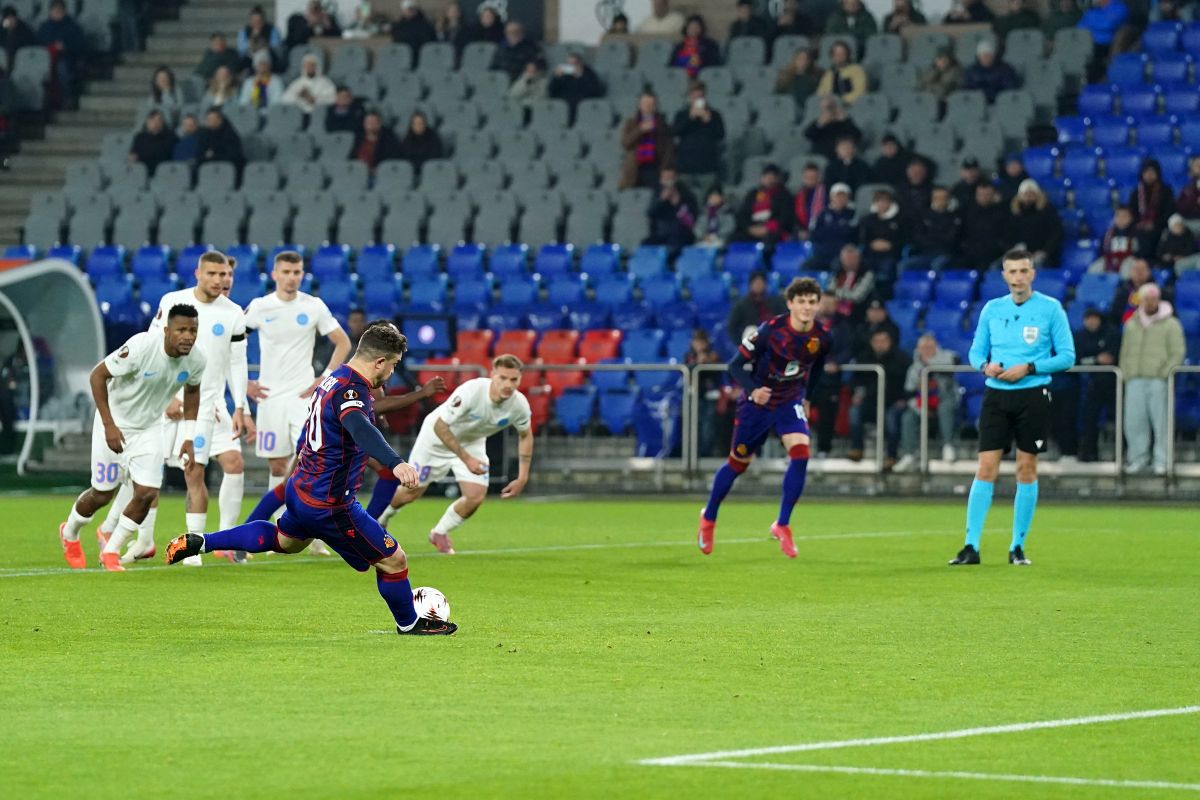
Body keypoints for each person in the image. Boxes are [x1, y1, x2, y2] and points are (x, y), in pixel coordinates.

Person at [166, 322, 457, 636]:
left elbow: (316, 429)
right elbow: (360, 428)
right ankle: (409, 623)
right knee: (394, 560)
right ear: (379, 362)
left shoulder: (333, 378)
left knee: (284, 541)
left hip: (303, 488)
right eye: (393, 365)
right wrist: (395, 462)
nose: (391, 373)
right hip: (331, 503)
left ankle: (203, 541)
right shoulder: (351, 389)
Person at [950, 248, 1075, 567]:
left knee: (1026, 468)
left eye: (1023, 271)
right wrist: (985, 367)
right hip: (996, 395)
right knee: (986, 468)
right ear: (1004, 275)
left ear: (1032, 273)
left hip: (1033, 395)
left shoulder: (1050, 309)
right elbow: (976, 353)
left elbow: (1067, 356)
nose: (1018, 277)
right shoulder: (992, 309)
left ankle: (1017, 546)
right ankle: (970, 546)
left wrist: (1030, 368)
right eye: (1012, 272)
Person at [57, 305, 205, 571]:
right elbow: (97, 376)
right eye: (182, 330)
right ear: (167, 330)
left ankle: (112, 550)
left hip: (148, 429)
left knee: (147, 493)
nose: (188, 336)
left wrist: (188, 437)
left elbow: (193, 393)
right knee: (102, 495)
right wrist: (109, 425)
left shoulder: (196, 360)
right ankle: (69, 532)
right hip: (113, 424)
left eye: (193, 330)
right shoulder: (141, 347)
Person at [697, 277, 831, 558]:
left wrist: (807, 397)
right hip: (757, 403)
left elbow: (817, 368)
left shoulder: (822, 337)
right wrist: (753, 390)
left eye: (811, 302)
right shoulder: (770, 331)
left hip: (789, 400)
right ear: (790, 304)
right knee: (737, 464)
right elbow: (735, 365)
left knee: (801, 453)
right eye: (801, 302)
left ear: (818, 305)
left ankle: (782, 524)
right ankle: (708, 517)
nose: (807, 307)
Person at [132, 252, 251, 567]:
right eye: (213, 273)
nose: (219, 280)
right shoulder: (173, 301)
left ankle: (209, 543)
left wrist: (241, 406)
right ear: (198, 273)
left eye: (224, 274)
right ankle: (145, 540)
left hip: (207, 405)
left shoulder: (234, 313)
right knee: (151, 473)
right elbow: (151, 348)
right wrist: (166, 396)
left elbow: (237, 363)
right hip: (165, 402)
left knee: (213, 467)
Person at [377, 355, 534, 555]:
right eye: (503, 378)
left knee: (475, 496)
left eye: (514, 380)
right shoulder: (472, 391)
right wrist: (466, 459)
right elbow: (441, 426)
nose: (508, 385)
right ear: (492, 375)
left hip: (471, 442)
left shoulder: (519, 405)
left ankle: (439, 533)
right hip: (435, 439)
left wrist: (522, 477)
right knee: (411, 491)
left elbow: (525, 436)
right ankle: (383, 520)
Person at [244, 250, 351, 506]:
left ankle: (310, 531)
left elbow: (343, 343)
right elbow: (231, 342)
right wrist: (244, 382)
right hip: (270, 398)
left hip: (303, 396)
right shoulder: (260, 306)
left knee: (309, 459)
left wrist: (324, 378)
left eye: (296, 272)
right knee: (278, 465)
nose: (291, 278)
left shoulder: (313, 305)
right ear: (274, 274)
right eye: (286, 272)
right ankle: (279, 528)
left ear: (302, 274)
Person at [1120, 284, 1186, 476]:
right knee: (1134, 422)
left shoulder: (1171, 324)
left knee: (1161, 422)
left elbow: (1177, 352)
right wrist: (1127, 372)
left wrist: (1165, 373)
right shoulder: (1132, 323)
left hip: (1159, 380)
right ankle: (1138, 459)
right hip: (1135, 379)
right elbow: (1125, 351)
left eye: (1153, 298)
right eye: (1147, 299)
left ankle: (1162, 460)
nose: (1150, 302)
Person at [894, 332, 960, 471]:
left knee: (945, 408)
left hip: (944, 400)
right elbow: (909, 394)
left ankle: (948, 446)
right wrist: (921, 410)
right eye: (923, 348)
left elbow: (956, 361)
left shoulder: (947, 357)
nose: (927, 350)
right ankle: (909, 454)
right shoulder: (913, 369)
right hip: (923, 404)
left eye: (930, 347)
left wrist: (928, 365)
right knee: (908, 417)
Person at [848, 327, 911, 466]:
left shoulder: (902, 358)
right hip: (871, 401)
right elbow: (855, 380)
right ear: (871, 342)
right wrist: (858, 393)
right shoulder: (864, 357)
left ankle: (891, 455)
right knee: (855, 412)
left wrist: (904, 399)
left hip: (893, 402)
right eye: (877, 341)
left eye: (884, 341)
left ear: (890, 342)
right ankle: (857, 448)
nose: (880, 344)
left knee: (891, 419)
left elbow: (909, 382)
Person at [1072, 308, 1120, 463]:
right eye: (1088, 319)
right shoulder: (1079, 336)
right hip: (1089, 385)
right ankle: (1088, 453)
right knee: (1089, 419)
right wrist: (1096, 359)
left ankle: (1121, 454)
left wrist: (1093, 357)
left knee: (1120, 418)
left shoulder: (1111, 334)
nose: (1092, 322)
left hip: (1113, 383)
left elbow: (1113, 356)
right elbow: (1075, 359)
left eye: (1094, 318)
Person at [672, 81, 724, 199]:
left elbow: (721, 134)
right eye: (694, 97)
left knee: (709, 199)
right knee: (684, 200)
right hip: (685, 168)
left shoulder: (715, 115)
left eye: (699, 97)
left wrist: (708, 120)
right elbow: (675, 131)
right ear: (690, 97)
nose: (697, 100)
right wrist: (690, 117)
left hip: (707, 168)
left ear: (704, 97)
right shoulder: (681, 114)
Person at [619, 92, 674, 190]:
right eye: (645, 104)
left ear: (655, 106)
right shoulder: (631, 123)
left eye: (651, 104)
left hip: (654, 168)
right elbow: (625, 143)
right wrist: (640, 130)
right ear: (640, 105)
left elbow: (668, 149)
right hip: (635, 169)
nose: (648, 107)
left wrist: (665, 169)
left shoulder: (662, 124)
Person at [36, 0, 85, 108]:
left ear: (64, 11)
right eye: (55, 10)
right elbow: (38, 45)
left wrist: (65, 47)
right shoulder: (44, 27)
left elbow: (80, 46)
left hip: (66, 59)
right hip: (45, 59)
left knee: (61, 69)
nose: (57, 12)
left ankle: (66, 99)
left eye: (59, 10)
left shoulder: (73, 27)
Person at [859, 187, 907, 293]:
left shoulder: (900, 220)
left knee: (887, 269)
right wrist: (872, 244)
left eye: (885, 201)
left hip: (891, 254)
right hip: (870, 253)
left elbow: (903, 239)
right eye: (879, 201)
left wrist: (890, 245)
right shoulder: (868, 219)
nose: (882, 204)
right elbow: (863, 238)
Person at [1007, 178, 1063, 267]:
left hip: (1041, 253)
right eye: (1026, 194)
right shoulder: (1014, 212)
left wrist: (1045, 251)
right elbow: (1007, 234)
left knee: (1036, 265)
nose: (1028, 197)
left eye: (1031, 194)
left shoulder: (1047, 210)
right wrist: (1013, 248)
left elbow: (1056, 233)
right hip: (1019, 252)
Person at [735, 162, 794, 246]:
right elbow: (743, 214)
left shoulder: (784, 195)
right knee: (736, 238)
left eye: (772, 177)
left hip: (773, 231)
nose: (769, 180)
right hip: (753, 229)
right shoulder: (753, 194)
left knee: (770, 241)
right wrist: (750, 228)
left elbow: (785, 217)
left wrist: (767, 228)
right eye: (766, 177)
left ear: (777, 179)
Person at [905, 185, 960, 271]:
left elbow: (951, 239)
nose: (940, 201)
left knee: (937, 264)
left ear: (948, 199)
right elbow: (918, 236)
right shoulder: (922, 216)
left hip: (945, 254)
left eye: (943, 198)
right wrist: (936, 239)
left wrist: (932, 238)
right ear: (932, 198)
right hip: (924, 253)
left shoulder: (955, 218)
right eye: (937, 198)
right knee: (904, 265)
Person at [1129, 159, 1175, 257]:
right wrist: (1140, 224)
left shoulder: (1166, 191)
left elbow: (1169, 212)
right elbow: (1132, 212)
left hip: (1160, 226)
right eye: (1146, 172)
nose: (1149, 175)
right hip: (1140, 227)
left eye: (1152, 172)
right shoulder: (1136, 192)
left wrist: (1154, 224)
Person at [728, 270, 787, 344]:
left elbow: (784, 319)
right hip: (752, 340)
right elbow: (732, 327)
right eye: (756, 283)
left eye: (761, 282)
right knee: (751, 330)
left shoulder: (776, 302)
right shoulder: (741, 305)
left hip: (773, 338)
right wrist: (740, 343)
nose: (758, 285)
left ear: (766, 284)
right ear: (750, 285)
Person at [645, 167, 697, 249]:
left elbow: (690, 221)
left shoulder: (686, 195)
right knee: (646, 246)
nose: (667, 181)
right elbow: (650, 213)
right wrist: (661, 200)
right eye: (664, 178)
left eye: (670, 178)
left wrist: (677, 204)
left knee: (673, 246)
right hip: (660, 234)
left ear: (676, 178)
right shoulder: (657, 194)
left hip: (681, 234)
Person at [959, 182, 1008, 269]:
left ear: (993, 195)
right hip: (970, 252)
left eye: (987, 194)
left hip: (994, 254)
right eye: (980, 194)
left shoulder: (1002, 212)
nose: (983, 197)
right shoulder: (967, 212)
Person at [809, 183, 857, 266]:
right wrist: (837, 228)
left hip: (842, 254)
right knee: (806, 267)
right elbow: (815, 234)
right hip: (822, 252)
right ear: (831, 197)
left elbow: (850, 234)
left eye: (843, 196)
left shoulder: (852, 214)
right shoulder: (822, 213)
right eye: (837, 196)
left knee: (836, 265)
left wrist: (829, 228)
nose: (840, 199)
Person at [547, 52, 602, 123]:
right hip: (564, 103)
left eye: (573, 64)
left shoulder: (589, 74)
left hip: (582, 103)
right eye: (568, 64)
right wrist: (556, 78)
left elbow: (594, 91)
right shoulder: (565, 75)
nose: (570, 66)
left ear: (580, 64)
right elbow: (552, 92)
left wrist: (579, 76)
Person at [827, 244, 875, 324]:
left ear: (859, 258)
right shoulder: (837, 273)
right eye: (846, 259)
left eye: (852, 258)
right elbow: (829, 292)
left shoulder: (867, 274)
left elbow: (857, 296)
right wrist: (842, 294)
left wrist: (837, 293)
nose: (849, 261)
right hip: (836, 313)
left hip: (857, 314)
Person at [803, 95, 861, 161]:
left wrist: (845, 120)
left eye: (831, 107)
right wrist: (820, 123)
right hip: (821, 158)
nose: (829, 110)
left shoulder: (844, 122)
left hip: (841, 158)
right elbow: (808, 135)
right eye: (826, 108)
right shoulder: (818, 123)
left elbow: (857, 135)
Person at [963, 39, 1021, 103]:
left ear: (993, 55)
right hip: (977, 103)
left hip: (1000, 102)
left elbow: (1010, 87)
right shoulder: (972, 71)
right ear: (978, 56)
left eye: (988, 55)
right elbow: (967, 88)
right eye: (983, 55)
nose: (986, 58)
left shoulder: (1004, 69)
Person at [816, 40, 867, 105]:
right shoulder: (829, 74)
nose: (839, 56)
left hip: (850, 106)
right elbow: (820, 93)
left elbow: (860, 93)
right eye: (836, 54)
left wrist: (840, 100)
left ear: (847, 55)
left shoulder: (857, 70)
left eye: (842, 53)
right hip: (830, 107)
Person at [129, 109, 177, 177]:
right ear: (147, 121)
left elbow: (163, 155)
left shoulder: (170, 137)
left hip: (163, 174)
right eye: (152, 120)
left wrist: (140, 157)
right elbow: (133, 156)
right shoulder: (139, 137)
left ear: (162, 122)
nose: (155, 122)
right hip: (140, 174)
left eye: (158, 120)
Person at [670, 14, 720, 79]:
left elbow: (714, 64)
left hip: (702, 77)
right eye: (690, 27)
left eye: (696, 27)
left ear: (701, 28)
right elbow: (671, 65)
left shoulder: (710, 45)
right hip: (680, 78)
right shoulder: (679, 46)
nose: (693, 30)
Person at [1098, 205, 1139, 274]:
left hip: (1128, 260)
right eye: (1118, 216)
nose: (1121, 219)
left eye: (1124, 216)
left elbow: (1137, 252)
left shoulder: (1136, 233)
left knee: (1128, 267)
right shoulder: (1108, 233)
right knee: (1095, 268)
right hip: (1110, 259)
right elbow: (1103, 250)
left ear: (1131, 218)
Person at [793, 162, 827, 239]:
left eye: (813, 177)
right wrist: (801, 229)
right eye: (807, 177)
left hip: (821, 229)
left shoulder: (825, 193)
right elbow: (795, 215)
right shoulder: (799, 194)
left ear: (819, 177)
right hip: (802, 229)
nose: (810, 180)